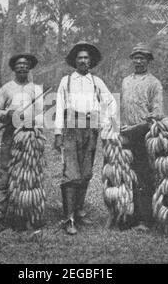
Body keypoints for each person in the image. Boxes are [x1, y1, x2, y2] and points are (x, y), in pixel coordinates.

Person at [54, 41, 117, 235]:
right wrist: (58, 133)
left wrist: (106, 125)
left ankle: (79, 210)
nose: (83, 61)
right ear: (75, 61)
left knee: (86, 172)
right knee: (71, 173)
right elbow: (59, 107)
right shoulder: (67, 81)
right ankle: (69, 218)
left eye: (86, 58)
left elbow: (110, 102)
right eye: (80, 57)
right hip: (72, 128)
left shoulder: (96, 81)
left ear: (91, 61)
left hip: (90, 129)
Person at [0, 53, 43, 235]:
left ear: (30, 68)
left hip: (30, 135)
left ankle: (27, 217)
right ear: (14, 68)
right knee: (6, 175)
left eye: (26, 64)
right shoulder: (6, 89)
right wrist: (8, 114)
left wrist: (34, 124)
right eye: (19, 64)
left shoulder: (37, 90)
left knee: (29, 175)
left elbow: (42, 115)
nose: (22, 67)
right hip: (10, 135)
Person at [120, 43, 164, 232]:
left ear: (148, 61)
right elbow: (121, 107)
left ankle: (146, 219)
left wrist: (137, 127)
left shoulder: (154, 83)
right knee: (128, 176)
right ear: (132, 60)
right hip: (126, 134)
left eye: (143, 58)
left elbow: (157, 113)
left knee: (145, 175)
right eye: (136, 57)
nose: (139, 61)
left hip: (145, 134)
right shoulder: (126, 81)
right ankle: (131, 216)